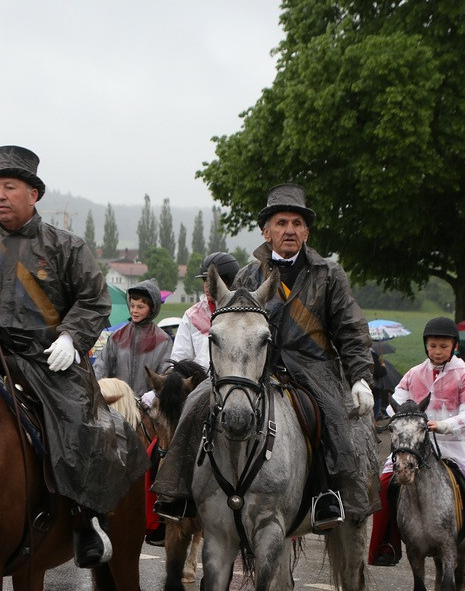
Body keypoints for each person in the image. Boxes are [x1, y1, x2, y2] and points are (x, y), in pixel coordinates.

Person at [0, 145, 149, 568]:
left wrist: (72, 338)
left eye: (9, 187)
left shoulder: (66, 246)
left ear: (33, 194)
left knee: (80, 424)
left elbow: (94, 300)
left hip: (49, 359)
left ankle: (86, 519)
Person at [152, 183, 376, 532]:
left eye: (297, 223)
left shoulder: (328, 274)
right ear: (266, 231)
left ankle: (330, 497)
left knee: (336, 425)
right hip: (254, 369)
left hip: (314, 369)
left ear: (306, 231)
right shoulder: (247, 275)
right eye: (282, 222)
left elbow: (351, 329)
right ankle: (179, 492)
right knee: (196, 402)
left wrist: (360, 376)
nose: (290, 230)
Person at [382, 317, 465, 582]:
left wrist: (444, 425)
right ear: (426, 346)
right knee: (386, 481)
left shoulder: (464, 375)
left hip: (455, 443)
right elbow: (396, 400)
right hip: (417, 442)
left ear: (454, 346)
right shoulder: (414, 373)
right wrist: (403, 414)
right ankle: (386, 545)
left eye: (443, 346)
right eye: (433, 345)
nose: (438, 351)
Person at [92, 278, 172, 396]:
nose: (134, 311)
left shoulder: (163, 340)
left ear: (152, 309)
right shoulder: (117, 336)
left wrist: (154, 395)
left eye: (140, 307)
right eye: (132, 305)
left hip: (147, 406)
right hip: (119, 403)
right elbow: (101, 366)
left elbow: (166, 375)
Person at [169, 252, 240, 372]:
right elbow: (179, 358)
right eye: (205, 281)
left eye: (213, 281)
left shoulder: (242, 314)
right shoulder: (191, 316)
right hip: (199, 383)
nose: (207, 286)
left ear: (230, 282)